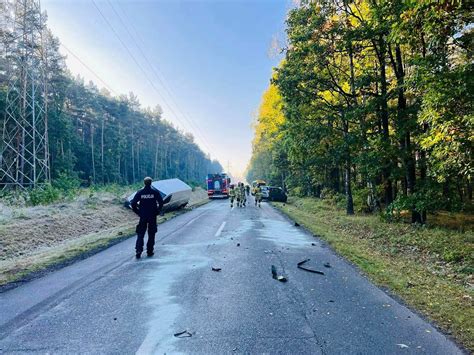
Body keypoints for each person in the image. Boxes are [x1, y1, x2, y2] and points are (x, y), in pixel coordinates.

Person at [131, 177, 164, 258]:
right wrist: (158, 211)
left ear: (144, 183)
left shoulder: (140, 192)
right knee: (151, 234)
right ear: (151, 183)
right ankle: (150, 251)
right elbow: (161, 202)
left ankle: (138, 250)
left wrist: (138, 212)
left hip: (143, 216)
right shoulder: (154, 192)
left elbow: (133, 203)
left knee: (140, 233)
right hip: (152, 216)